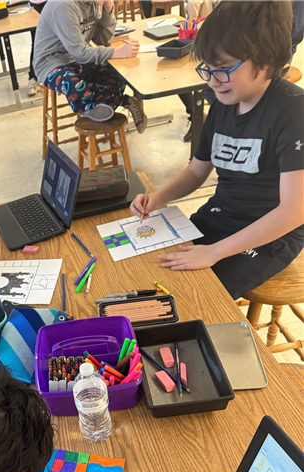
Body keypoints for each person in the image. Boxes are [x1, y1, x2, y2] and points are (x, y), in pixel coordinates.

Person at [130, 0, 304, 300]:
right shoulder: (225, 100)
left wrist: (214, 253)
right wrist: (158, 198)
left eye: (223, 69)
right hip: (220, 215)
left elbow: (293, 212)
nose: (212, 81)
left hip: (269, 234)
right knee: (151, 275)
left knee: (195, 298)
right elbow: (197, 170)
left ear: (264, 61)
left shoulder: (292, 111)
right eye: (206, 69)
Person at [33, 0, 147, 131]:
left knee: (117, 71)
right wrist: (117, 52)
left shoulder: (92, 3)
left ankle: (93, 104)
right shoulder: (63, 5)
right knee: (72, 85)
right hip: (52, 63)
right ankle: (121, 101)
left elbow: (103, 40)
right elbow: (80, 52)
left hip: (79, 61)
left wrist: (107, 11)